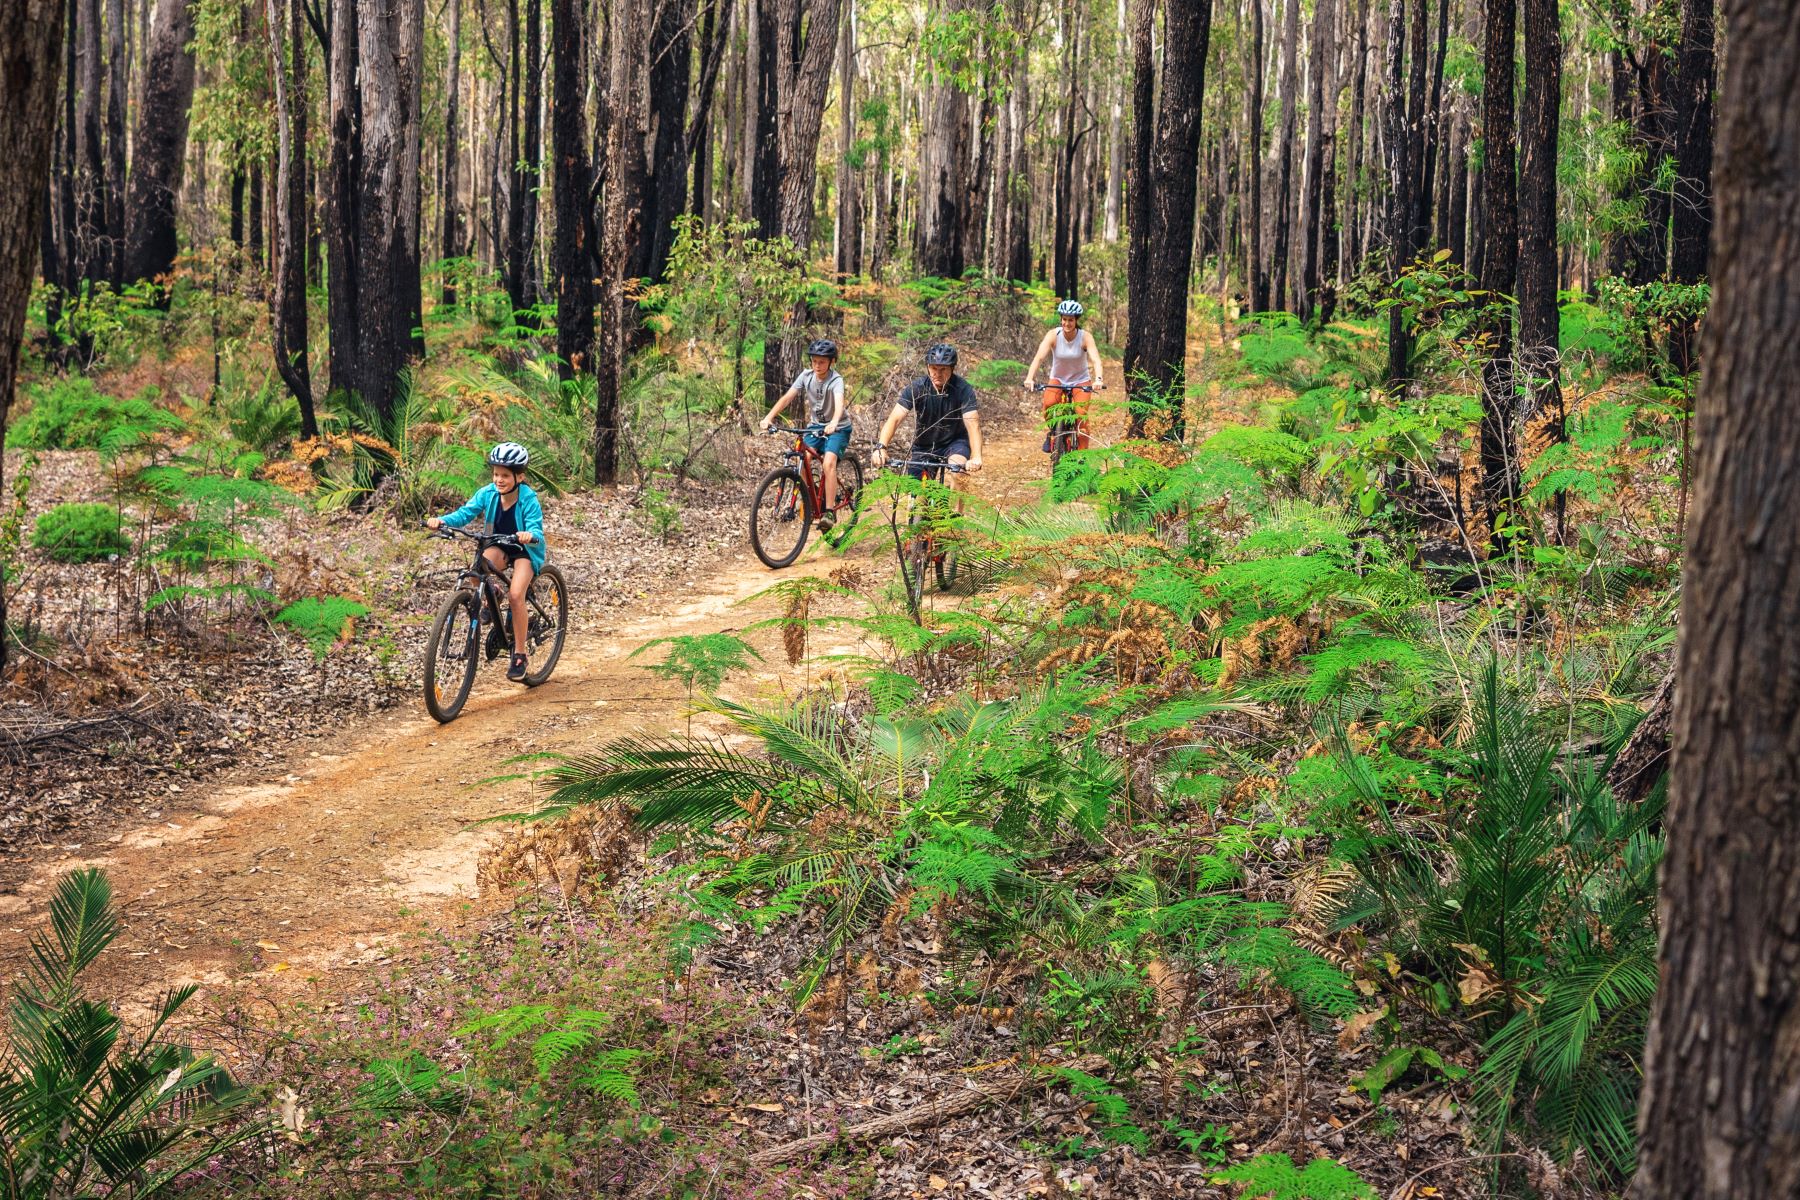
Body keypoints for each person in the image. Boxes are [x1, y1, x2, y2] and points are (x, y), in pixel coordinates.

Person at [426, 443, 547, 683]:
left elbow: (536, 529)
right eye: (495, 474)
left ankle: (520, 655)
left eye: (504, 475)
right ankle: (494, 591)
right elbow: (465, 513)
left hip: (524, 550)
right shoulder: (488, 493)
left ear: (519, 477)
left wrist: (529, 535)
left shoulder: (528, 499)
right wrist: (441, 520)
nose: (499, 480)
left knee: (516, 596)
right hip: (498, 544)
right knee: (477, 569)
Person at [761, 339, 851, 526]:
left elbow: (839, 402)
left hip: (838, 427)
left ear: (831, 362)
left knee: (828, 463)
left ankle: (828, 512)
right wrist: (769, 417)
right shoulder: (806, 376)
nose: (817, 365)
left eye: (822, 362)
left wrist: (834, 422)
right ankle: (811, 499)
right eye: (814, 361)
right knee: (803, 460)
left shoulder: (836, 380)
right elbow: (787, 398)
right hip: (816, 426)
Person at [871, 343, 985, 481]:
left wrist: (976, 456)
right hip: (924, 445)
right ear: (928, 367)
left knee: (957, 474)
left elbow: (973, 424)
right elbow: (895, 419)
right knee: (916, 493)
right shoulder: (917, 388)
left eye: (943, 369)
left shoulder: (963, 389)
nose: (937, 374)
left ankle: (957, 502)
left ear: (952, 369)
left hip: (955, 442)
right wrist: (881, 447)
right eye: (934, 368)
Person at [1023, 299, 1104, 455]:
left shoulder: (1085, 337)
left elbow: (1096, 360)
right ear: (1061, 319)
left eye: (1071, 320)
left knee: (1080, 416)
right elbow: (1039, 358)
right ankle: (1053, 431)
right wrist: (1029, 378)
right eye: (1064, 319)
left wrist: (1098, 379)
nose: (1067, 323)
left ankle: (1081, 456)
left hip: (1080, 380)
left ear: (1076, 321)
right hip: (1058, 379)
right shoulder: (1053, 335)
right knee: (1048, 404)